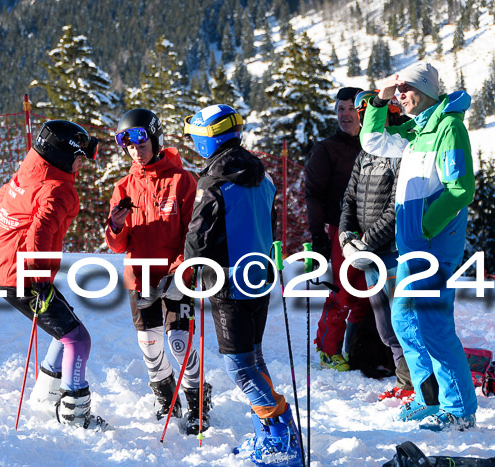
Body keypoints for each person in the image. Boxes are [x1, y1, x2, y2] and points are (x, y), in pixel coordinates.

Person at [360, 62, 477, 431]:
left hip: (432, 245)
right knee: (405, 320)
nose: (399, 96)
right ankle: (430, 399)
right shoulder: (418, 129)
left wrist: (424, 229)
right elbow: (373, 140)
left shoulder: (448, 128)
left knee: (432, 323)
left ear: (424, 88)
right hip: (412, 245)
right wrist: (379, 100)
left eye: (403, 90)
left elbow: (461, 189)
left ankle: (458, 409)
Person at [183, 104, 302, 467]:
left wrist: (188, 271)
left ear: (208, 140)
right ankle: (273, 434)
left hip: (228, 283)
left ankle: (281, 438)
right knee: (253, 356)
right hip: (260, 278)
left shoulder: (214, 183)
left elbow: (198, 240)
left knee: (238, 365)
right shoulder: (262, 178)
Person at [0, 120, 108, 431]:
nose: (81, 166)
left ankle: (45, 396)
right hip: (23, 276)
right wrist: (39, 278)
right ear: (63, 157)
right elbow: (39, 233)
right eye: (80, 159)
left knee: (66, 330)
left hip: (6, 269)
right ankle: (74, 414)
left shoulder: (27, 175)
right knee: (79, 340)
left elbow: (2, 199)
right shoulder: (58, 189)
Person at [105, 109, 211, 434]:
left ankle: (196, 399)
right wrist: (116, 226)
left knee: (179, 342)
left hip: (177, 276)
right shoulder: (124, 186)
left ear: (155, 139)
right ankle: (166, 395)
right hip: (140, 277)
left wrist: (180, 271)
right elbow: (117, 244)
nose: (136, 151)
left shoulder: (183, 181)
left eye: (142, 143)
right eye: (130, 146)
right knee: (149, 346)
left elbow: (194, 234)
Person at [339, 90, 414, 401]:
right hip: (368, 255)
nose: (362, 118)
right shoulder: (365, 153)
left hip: (392, 251)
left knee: (404, 321)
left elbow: (398, 208)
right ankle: (405, 380)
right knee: (385, 327)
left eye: (368, 112)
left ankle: (417, 385)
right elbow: (350, 199)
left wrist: (366, 243)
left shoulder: (401, 150)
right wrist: (346, 237)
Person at [305, 86, 374, 371]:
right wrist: (318, 236)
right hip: (340, 231)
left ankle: (358, 350)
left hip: (374, 230)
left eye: (350, 109)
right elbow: (312, 194)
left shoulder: (374, 145)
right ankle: (328, 349)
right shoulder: (327, 149)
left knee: (366, 295)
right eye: (340, 109)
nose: (344, 115)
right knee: (343, 292)